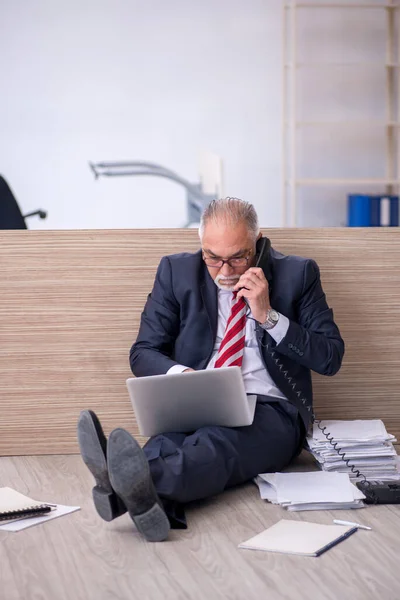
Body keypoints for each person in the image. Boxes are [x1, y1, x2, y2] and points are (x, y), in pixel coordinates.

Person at [77, 197, 344, 542]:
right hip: (197, 397)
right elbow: (143, 351)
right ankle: (148, 503)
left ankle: (115, 485)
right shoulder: (176, 271)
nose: (226, 271)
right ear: (201, 245)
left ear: (258, 242)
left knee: (215, 444)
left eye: (238, 257)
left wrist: (268, 316)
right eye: (213, 258)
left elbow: (330, 357)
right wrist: (184, 379)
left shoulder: (298, 273)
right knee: (166, 442)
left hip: (271, 411)